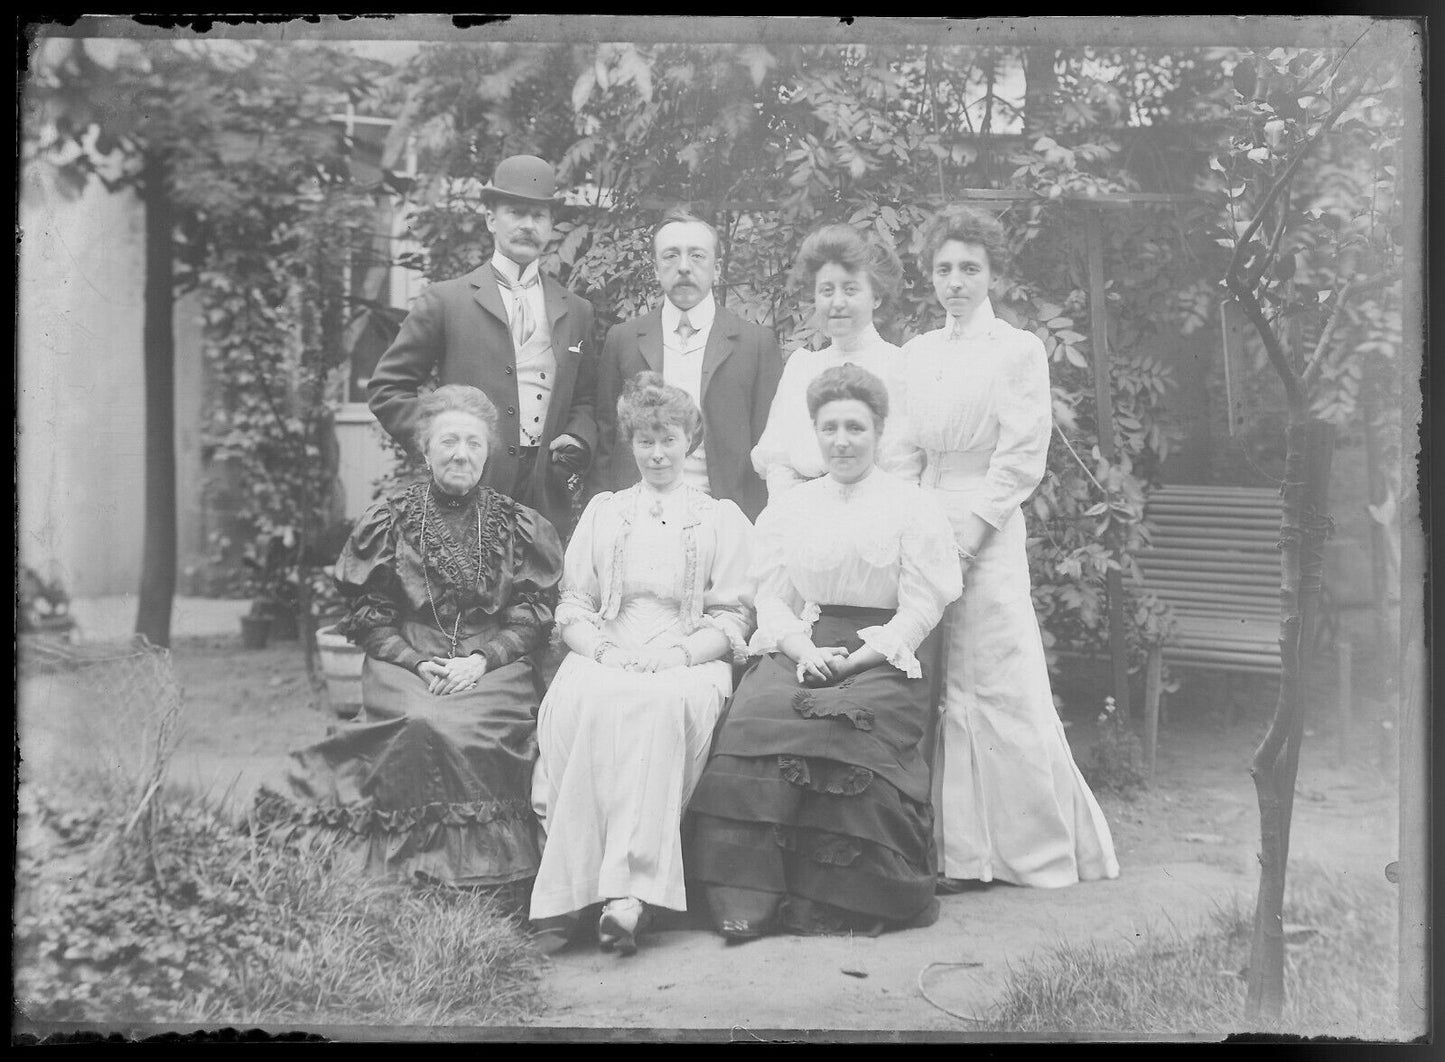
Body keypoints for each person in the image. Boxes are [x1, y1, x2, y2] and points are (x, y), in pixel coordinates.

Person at [686, 364, 963, 939]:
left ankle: (843, 900)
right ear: (815, 433)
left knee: (841, 740)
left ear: (879, 432)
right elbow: (773, 596)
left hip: (884, 656)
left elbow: (921, 607)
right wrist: (802, 649)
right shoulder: (792, 507)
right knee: (750, 727)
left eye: (856, 428)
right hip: (803, 643)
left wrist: (858, 659)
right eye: (830, 428)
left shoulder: (912, 506)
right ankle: (747, 902)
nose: (842, 441)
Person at [255, 386, 564, 892]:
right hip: (407, 661)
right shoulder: (390, 518)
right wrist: (419, 662)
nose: (461, 453)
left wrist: (482, 661)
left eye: (472, 443)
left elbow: (531, 616)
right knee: (422, 723)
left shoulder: (516, 523)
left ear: (487, 452)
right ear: (425, 450)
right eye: (448, 442)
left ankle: (491, 881)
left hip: (493, 662)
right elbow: (371, 617)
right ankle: (412, 873)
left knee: (481, 727)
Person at [892, 205, 1120, 889]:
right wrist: (907, 526)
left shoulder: (1016, 350)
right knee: (933, 683)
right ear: (928, 277)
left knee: (991, 679)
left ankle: (1024, 851)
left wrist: (970, 536)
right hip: (925, 518)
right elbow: (901, 448)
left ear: (991, 273)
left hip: (985, 528)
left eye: (968, 268)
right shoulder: (915, 354)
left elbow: (1021, 457)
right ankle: (947, 848)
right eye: (942, 269)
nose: (955, 282)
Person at [529, 373, 756, 955]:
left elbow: (733, 615)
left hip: (689, 650)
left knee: (659, 706)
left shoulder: (719, 517)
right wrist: (604, 650)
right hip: (609, 643)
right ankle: (568, 893)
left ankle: (626, 898)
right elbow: (575, 602)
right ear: (630, 443)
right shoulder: (605, 512)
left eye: (670, 440)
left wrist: (676, 655)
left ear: (690, 443)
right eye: (645, 441)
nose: (657, 454)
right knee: (590, 700)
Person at [368, 154, 596, 537]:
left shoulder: (577, 311)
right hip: (469, 486)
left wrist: (578, 438)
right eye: (515, 212)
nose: (527, 225)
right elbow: (387, 389)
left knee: (539, 594)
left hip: (545, 492)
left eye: (538, 216)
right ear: (491, 219)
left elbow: (587, 400)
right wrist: (441, 444)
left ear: (552, 225)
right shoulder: (447, 300)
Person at [590, 207, 783, 521]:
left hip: (725, 521)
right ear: (655, 269)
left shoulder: (756, 345)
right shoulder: (622, 339)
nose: (683, 267)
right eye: (670, 256)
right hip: (639, 518)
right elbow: (606, 447)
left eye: (696, 256)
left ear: (717, 268)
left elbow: (769, 452)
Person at [751, 223, 905, 499]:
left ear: (877, 297)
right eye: (826, 291)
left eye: (850, 290)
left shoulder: (897, 367)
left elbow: (901, 467)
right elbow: (778, 463)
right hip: (805, 516)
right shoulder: (802, 369)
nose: (837, 302)